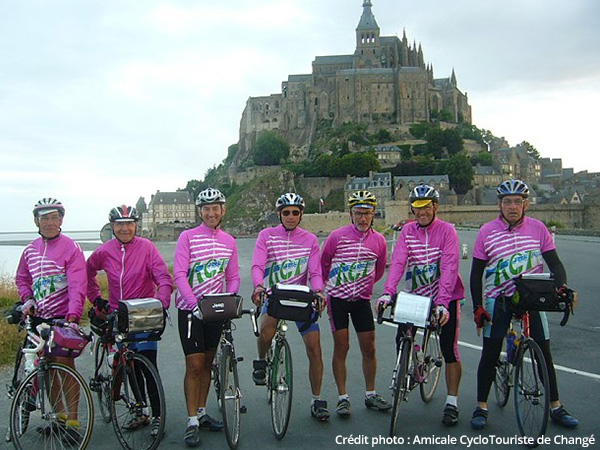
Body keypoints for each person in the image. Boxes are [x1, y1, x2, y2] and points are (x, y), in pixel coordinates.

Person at [469, 179, 579, 430]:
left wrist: (561, 288)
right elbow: (476, 274)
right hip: (499, 299)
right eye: (507, 202)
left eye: (517, 202)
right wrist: (478, 306)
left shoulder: (538, 228)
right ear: (499, 204)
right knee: (490, 352)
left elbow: (556, 264)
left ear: (525, 204)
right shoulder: (487, 231)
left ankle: (556, 406)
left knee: (544, 354)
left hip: (531, 299)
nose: (512, 207)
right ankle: (481, 406)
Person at [377, 184, 464, 426]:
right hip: (415, 296)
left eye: (426, 206)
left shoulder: (447, 231)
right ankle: (407, 366)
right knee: (401, 337)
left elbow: (449, 267)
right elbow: (397, 263)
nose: (421, 211)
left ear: (435, 207)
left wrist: (443, 303)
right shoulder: (407, 231)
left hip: (444, 297)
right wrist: (387, 293)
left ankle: (452, 402)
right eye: (417, 207)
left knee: (449, 349)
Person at [87, 204, 173, 437]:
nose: (125, 229)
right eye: (120, 225)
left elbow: (163, 278)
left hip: (143, 314)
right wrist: (96, 299)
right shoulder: (104, 251)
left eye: (129, 224)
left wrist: (161, 303)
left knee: (148, 365)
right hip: (118, 315)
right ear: (112, 227)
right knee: (128, 365)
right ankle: (139, 410)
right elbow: (87, 272)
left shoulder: (147, 248)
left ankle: (157, 415)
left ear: (136, 226)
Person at [251, 192, 329, 421]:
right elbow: (257, 264)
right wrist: (258, 286)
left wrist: (319, 291)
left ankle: (317, 400)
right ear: (279, 214)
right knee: (266, 329)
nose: (291, 217)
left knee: (315, 347)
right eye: (286, 213)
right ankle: (262, 360)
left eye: (295, 212)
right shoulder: (266, 236)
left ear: (301, 214)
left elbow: (315, 272)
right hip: (275, 295)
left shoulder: (310, 240)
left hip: (299, 297)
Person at [173, 188, 240, 447]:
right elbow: (179, 275)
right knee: (194, 365)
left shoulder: (229, 241)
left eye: (216, 208)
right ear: (199, 212)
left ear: (223, 210)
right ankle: (191, 421)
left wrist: (228, 299)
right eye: (206, 209)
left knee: (209, 363)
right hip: (190, 311)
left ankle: (201, 412)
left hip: (215, 310)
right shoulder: (187, 238)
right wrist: (194, 304)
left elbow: (232, 277)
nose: (211, 213)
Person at [15, 197, 87, 439]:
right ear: (36, 221)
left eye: (54, 217)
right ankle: (60, 419)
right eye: (44, 218)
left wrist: (74, 315)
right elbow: (23, 279)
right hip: (39, 320)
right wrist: (28, 299)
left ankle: (74, 425)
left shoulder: (71, 248)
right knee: (48, 370)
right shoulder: (30, 250)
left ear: (61, 220)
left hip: (62, 317)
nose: (49, 222)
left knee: (65, 367)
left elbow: (78, 284)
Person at [320, 190, 391, 417]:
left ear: (373, 214)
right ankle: (343, 398)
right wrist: (330, 287)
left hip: (361, 300)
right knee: (342, 346)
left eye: (367, 214)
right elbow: (323, 264)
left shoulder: (379, 241)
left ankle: (370, 394)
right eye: (358, 213)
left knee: (369, 348)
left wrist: (362, 285)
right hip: (337, 299)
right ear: (350, 214)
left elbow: (379, 271)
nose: (363, 218)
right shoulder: (336, 237)